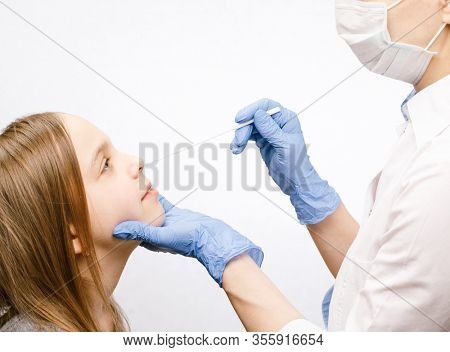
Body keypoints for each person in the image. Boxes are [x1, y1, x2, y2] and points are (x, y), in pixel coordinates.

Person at [114, 0, 450, 331]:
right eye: (105, 163)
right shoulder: (425, 132)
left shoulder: (441, 165)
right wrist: (308, 191)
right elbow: (385, 281)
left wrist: (224, 255)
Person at [0, 113, 263, 331]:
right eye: (105, 164)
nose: (137, 162)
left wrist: (233, 262)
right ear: (72, 236)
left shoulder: (99, 319)